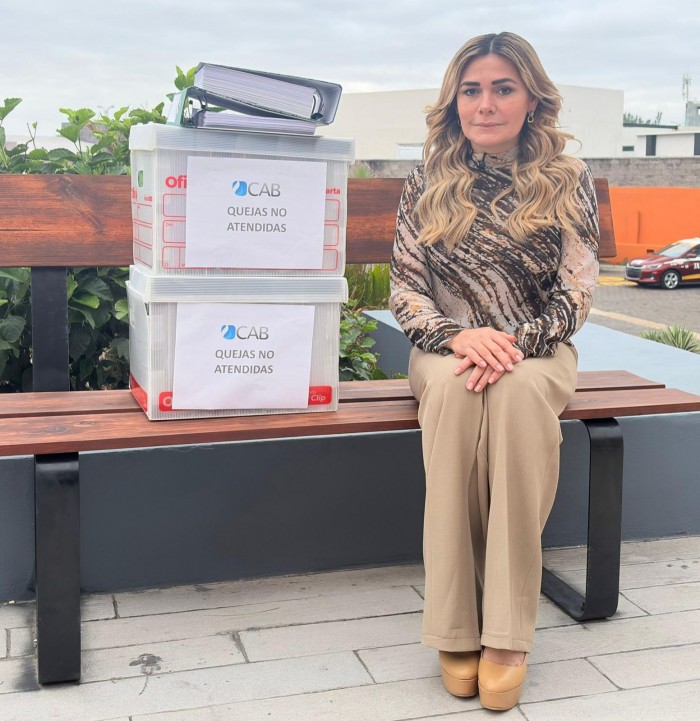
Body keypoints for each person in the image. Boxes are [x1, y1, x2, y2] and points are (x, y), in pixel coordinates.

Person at [389, 31, 599, 711]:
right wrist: (459, 337)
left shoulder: (567, 176)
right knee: (455, 396)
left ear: (531, 98)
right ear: (454, 101)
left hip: (537, 350)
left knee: (514, 398)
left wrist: (512, 343)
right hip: (443, 351)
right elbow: (405, 289)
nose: (485, 104)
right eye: (472, 90)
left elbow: (577, 291)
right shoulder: (427, 178)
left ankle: (507, 630)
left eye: (503, 89)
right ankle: (454, 620)